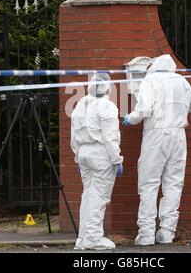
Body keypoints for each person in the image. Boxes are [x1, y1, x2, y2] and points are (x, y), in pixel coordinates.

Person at [122, 54, 191, 245]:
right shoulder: (181, 81)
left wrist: (130, 118)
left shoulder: (150, 80)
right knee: (174, 183)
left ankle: (147, 233)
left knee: (149, 183)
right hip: (179, 136)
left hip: (156, 135)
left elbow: (144, 109)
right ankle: (167, 232)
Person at [70, 73, 123, 250]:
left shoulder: (79, 105)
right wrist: (117, 159)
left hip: (84, 152)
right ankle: (93, 237)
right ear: (108, 87)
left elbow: (73, 137)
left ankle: (83, 237)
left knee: (88, 194)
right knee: (99, 196)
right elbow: (110, 137)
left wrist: (78, 157)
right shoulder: (107, 106)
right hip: (101, 153)